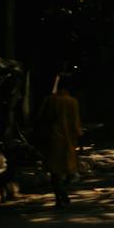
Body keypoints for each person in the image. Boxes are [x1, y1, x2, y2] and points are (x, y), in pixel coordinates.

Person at [33, 77, 84, 207]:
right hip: (68, 140)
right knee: (69, 170)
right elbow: (76, 123)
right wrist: (79, 139)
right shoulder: (73, 102)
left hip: (52, 139)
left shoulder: (50, 100)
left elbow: (41, 118)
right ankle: (63, 191)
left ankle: (59, 196)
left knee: (54, 172)